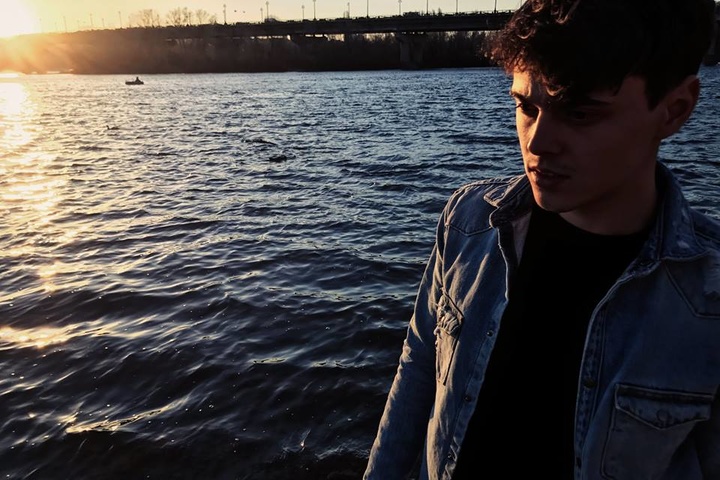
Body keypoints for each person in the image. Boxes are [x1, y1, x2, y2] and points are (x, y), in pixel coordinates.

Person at [363, 0, 720, 478]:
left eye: (580, 113)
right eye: (526, 106)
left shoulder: (709, 297)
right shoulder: (468, 223)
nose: (537, 143)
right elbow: (418, 371)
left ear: (674, 110)